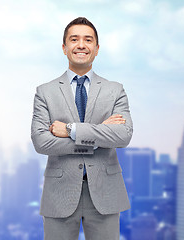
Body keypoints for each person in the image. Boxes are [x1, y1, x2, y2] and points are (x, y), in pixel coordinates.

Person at [31, 17, 133, 240]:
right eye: (74, 39)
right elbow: (42, 142)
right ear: (64, 47)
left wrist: (71, 130)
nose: (81, 45)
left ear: (96, 49)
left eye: (88, 40)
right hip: (60, 194)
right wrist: (99, 136)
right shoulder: (45, 92)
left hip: (105, 192)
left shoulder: (115, 90)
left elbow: (123, 136)